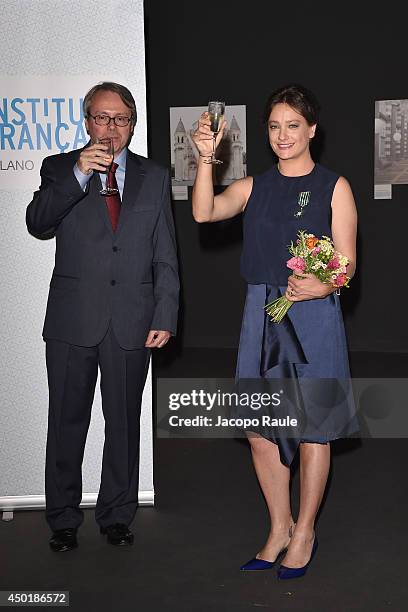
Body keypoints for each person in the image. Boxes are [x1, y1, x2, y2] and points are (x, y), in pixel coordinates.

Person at [191, 84, 359, 579]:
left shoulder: (335, 186)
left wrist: (321, 282)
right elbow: (204, 212)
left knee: (311, 428)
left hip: (313, 318)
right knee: (260, 430)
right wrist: (205, 160)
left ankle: (305, 530)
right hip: (260, 314)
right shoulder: (253, 186)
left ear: (311, 130)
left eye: (292, 125)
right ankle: (278, 526)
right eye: (273, 126)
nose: (282, 135)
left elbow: (346, 266)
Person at [26, 82, 179, 552]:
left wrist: (166, 313)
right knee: (66, 423)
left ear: (133, 125)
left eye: (121, 119)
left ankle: (117, 514)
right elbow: (38, 222)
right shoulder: (59, 167)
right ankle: (63, 519)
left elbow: (165, 254)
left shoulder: (154, 176)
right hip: (73, 321)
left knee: (124, 424)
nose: (111, 129)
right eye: (102, 118)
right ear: (86, 120)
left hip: (133, 320)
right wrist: (76, 174)